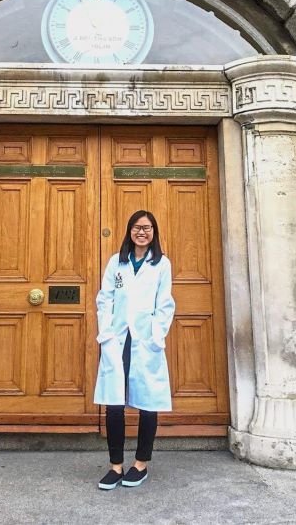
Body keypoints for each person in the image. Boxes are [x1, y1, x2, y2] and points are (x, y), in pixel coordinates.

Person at [94, 209, 175, 490]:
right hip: (117, 339)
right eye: (137, 227)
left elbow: (165, 304)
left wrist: (156, 336)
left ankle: (140, 464)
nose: (142, 232)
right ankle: (115, 466)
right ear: (130, 231)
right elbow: (105, 299)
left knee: (147, 402)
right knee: (114, 404)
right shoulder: (116, 263)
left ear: (154, 233)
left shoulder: (161, 264)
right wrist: (105, 332)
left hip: (145, 341)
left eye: (148, 228)